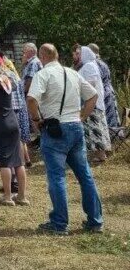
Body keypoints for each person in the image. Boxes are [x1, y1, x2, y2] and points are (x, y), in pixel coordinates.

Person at [27, 43, 103, 235]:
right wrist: (82, 117)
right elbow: (93, 96)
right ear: (57, 55)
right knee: (85, 176)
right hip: (75, 127)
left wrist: (36, 120)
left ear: (42, 57)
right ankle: (95, 221)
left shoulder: (42, 74)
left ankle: (60, 223)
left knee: (57, 177)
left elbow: (31, 99)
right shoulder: (72, 73)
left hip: (55, 130)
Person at [0, 56, 28, 205]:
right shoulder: (8, 80)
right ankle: (22, 196)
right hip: (13, 122)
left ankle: (8, 197)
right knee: (18, 162)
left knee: (5, 162)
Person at [74, 45, 112, 163]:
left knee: (96, 129)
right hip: (90, 101)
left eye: (78, 54)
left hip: (92, 103)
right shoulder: (87, 65)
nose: (76, 56)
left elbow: (91, 83)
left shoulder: (89, 66)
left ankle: (101, 154)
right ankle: (99, 153)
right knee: (93, 128)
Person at [87, 43, 121, 135]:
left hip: (103, 92)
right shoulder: (102, 63)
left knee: (106, 115)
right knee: (111, 114)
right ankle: (113, 135)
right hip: (109, 90)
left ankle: (109, 136)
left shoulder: (95, 64)